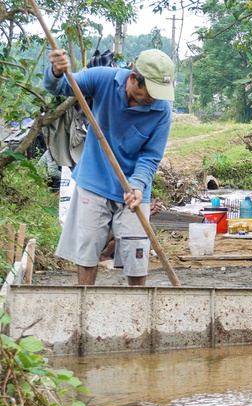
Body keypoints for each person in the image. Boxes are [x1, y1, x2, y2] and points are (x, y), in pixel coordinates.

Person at [43, 48, 174, 286]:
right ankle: (86, 304)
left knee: (137, 254)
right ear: (134, 78)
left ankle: (137, 311)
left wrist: (137, 187)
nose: (154, 98)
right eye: (151, 92)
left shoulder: (162, 110)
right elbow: (60, 87)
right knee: (87, 251)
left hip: (134, 190)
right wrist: (56, 71)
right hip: (94, 182)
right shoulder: (103, 79)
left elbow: (150, 157)